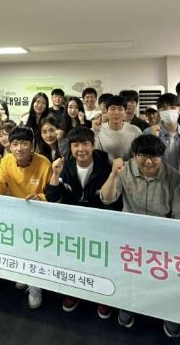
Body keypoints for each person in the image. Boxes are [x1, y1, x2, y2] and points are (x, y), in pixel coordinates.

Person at [100, 134, 180, 337]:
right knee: (129, 276)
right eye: (143, 156)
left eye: (154, 157)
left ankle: (169, 314)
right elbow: (107, 198)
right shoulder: (124, 170)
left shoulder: (173, 177)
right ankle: (126, 308)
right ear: (134, 155)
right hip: (130, 233)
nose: (148, 162)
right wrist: (113, 175)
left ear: (161, 156)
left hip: (162, 236)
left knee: (165, 279)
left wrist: (173, 245)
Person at [45, 126, 117, 319]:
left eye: (85, 144)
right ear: (70, 147)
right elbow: (52, 197)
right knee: (74, 260)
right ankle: (74, 292)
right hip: (73, 224)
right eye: (75, 145)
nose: (80, 149)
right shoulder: (64, 166)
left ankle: (103, 296)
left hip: (99, 225)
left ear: (93, 145)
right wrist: (55, 174)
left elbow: (111, 202)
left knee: (100, 261)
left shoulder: (106, 166)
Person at [0, 127, 53, 310]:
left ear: (32, 146)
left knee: (35, 252)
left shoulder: (44, 163)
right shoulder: (6, 162)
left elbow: (52, 193)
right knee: (19, 249)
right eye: (15, 144)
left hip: (40, 215)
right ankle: (25, 274)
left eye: (24, 143)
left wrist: (40, 198)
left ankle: (35, 287)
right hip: (16, 214)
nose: (19, 148)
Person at [145, 93, 180, 173]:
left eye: (173, 107)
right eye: (164, 109)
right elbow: (144, 159)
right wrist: (153, 139)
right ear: (159, 112)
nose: (168, 111)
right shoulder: (148, 132)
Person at [94, 95, 142, 161]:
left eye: (120, 109)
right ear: (107, 111)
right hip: (105, 167)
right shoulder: (98, 130)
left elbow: (140, 155)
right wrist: (95, 132)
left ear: (125, 111)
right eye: (112, 109)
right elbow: (94, 155)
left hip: (129, 167)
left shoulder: (135, 131)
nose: (116, 113)